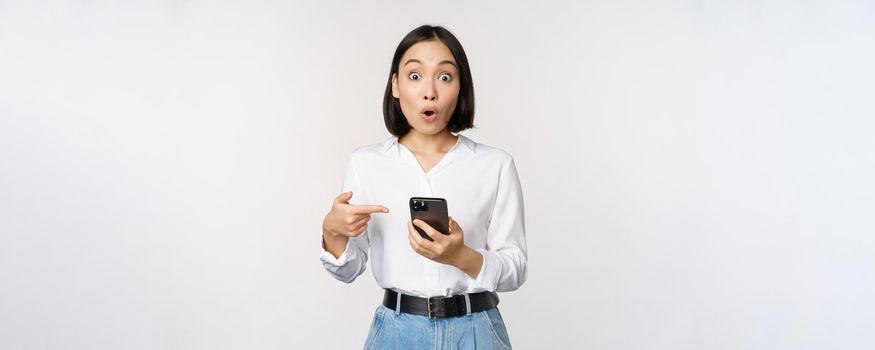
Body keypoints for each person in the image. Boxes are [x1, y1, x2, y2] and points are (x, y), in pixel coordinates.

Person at [320, 24, 528, 349]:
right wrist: (332, 232)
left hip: (477, 332)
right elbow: (347, 271)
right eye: (415, 76)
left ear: (461, 87)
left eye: (445, 77)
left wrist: (462, 256)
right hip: (397, 333)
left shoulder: (495, 165)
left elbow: (515, 268)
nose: (429, 91)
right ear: (395, 85)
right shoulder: (366, 163)